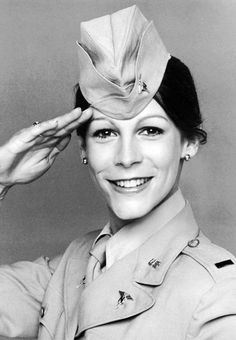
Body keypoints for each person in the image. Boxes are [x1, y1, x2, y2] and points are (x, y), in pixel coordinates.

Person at [0, 5, 236, 340]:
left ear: (190, 143)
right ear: (83, 148)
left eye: (150, 131)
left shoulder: (219, 295)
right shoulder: (71, 267)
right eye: (105, 133)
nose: (126, 157)